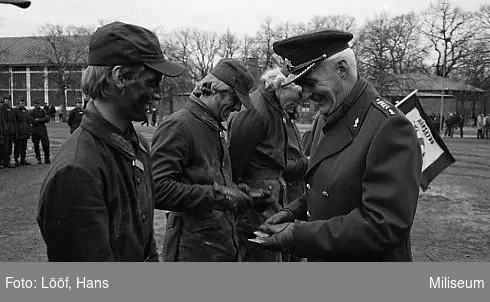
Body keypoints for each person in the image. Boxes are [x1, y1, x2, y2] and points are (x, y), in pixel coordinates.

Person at [254, 29, 422, 262]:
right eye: (302, 85)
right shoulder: (326, 117)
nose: (306, 95)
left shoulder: (389, 127)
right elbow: (326, 191)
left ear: (342, 70)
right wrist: (291, 212)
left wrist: (298, 235)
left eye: (311, 82)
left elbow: (384, 226)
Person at [37, 21, 185, 262]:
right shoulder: (76, 172)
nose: (158, 93)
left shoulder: (136, 144)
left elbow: (145, 246)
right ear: (119, 77)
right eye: (152, 82)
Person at [151, 58, 262, 262]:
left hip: (217, 247)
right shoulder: (179, 125)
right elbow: (157, 189)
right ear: (213, 89)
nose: (238, 108)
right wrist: (219, 195)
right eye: (235, 99)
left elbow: (207, 178)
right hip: (192, 252)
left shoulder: (212, 125)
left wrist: (238, 190)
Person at [227, 66, 302, 262]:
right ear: (282, 87)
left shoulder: (274, 108)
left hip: (269, 202)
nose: (300, 102)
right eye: (298, 95)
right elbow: (234, 165)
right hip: (256, 207)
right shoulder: (255, 111)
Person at [30, 99, 50, 164]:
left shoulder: (43, 111)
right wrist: (41, 120)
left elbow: (47, 118)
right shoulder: (32, 112)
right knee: (36, 145)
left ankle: (47, 158)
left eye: (39, 104)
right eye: (37, 104)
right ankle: (38, 158)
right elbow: (32, 120)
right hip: (35, 130)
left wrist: (39, 120)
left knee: (46, 145)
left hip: (42, 130)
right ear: (34, 104)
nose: (38, 105)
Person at [0, 95, 17, 168]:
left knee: (9, 146)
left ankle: (7, 161)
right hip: (5, 130)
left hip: (11, 130)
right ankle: (3, 161)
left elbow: (14, 120)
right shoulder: (1, 108)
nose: (7, 101)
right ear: (3, 100)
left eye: (8, 100)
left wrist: (15, 130)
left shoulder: (11, 109)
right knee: (4, 147)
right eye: (6, 99)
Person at [13, 99, 31, 166]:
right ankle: (16, 159)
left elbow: (28, 121)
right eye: (21, 103)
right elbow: (14, 121)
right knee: (17, 146)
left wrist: (29, 129)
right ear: (19, 103)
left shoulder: (26, 111)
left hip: (25, 131)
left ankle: (23, 160)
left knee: (24, 147)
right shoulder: (15, 110)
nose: (23, 104)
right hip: (18, 131)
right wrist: (16, 131)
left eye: (23, 103)